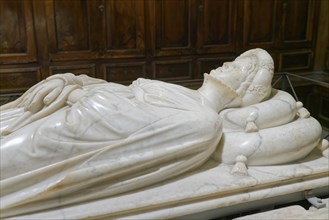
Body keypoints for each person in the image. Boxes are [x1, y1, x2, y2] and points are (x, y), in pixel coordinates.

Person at [0, 49, 277, 215]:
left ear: (243, 89)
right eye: (234, 60)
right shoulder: (182, 93)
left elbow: (118, 124)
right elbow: (119, 91)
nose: (227, 64)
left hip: (65, 138)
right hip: (66, 114)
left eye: (239, 67)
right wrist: (72, 79)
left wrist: (76, 93)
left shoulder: (203, 121)